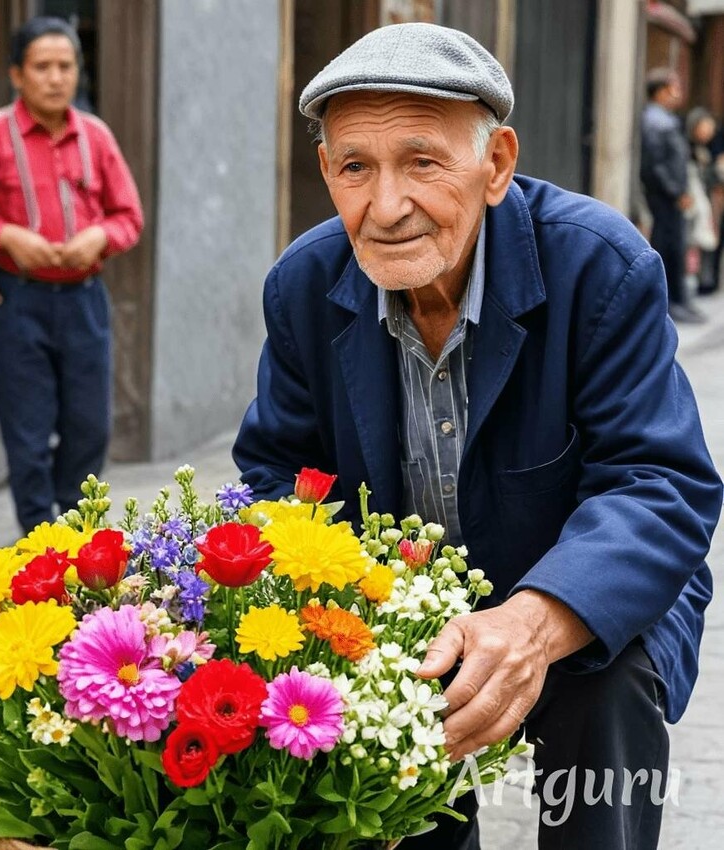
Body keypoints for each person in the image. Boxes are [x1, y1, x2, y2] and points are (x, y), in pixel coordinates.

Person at [233, 23, 722, 850]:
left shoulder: (601, 267)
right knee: (383, 794)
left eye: (423, 162)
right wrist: (358, 621)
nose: (385, 208)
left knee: (611, 694)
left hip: (576, 596)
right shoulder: (306, 285)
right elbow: (275, 477)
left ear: (495, 164)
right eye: (356, 168)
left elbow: (659, 483)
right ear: (328, 173)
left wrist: (534, 619)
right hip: (399, 612)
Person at [0, 16, 143, 534]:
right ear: (16, 74)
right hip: (18, 300)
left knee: (90, 428)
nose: (56, 78)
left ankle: (72, 529)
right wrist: (7, 237)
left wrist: (100, 237)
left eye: (66, 65)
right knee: (27, 434)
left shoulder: (95, 137)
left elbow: (129, 217)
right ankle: (37, 540)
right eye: (42, 67)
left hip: (84, 300)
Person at [640, 67, 705, 323]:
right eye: (672, 88)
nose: (677, 94)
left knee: (676, 247)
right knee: (667, 247)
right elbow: (654, 165)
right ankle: (669, 302)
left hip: (672, 196)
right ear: (660, 92)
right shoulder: (656, 121)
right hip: (665, 197)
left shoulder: (664, 119)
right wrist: (676, 192)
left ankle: (677, 299)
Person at [684, 107, 720, 294]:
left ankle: (701, 284)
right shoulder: (687, 148)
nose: (709, 132)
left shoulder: (703, 150)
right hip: (690, 204)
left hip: (702, 203)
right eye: (706, 127)